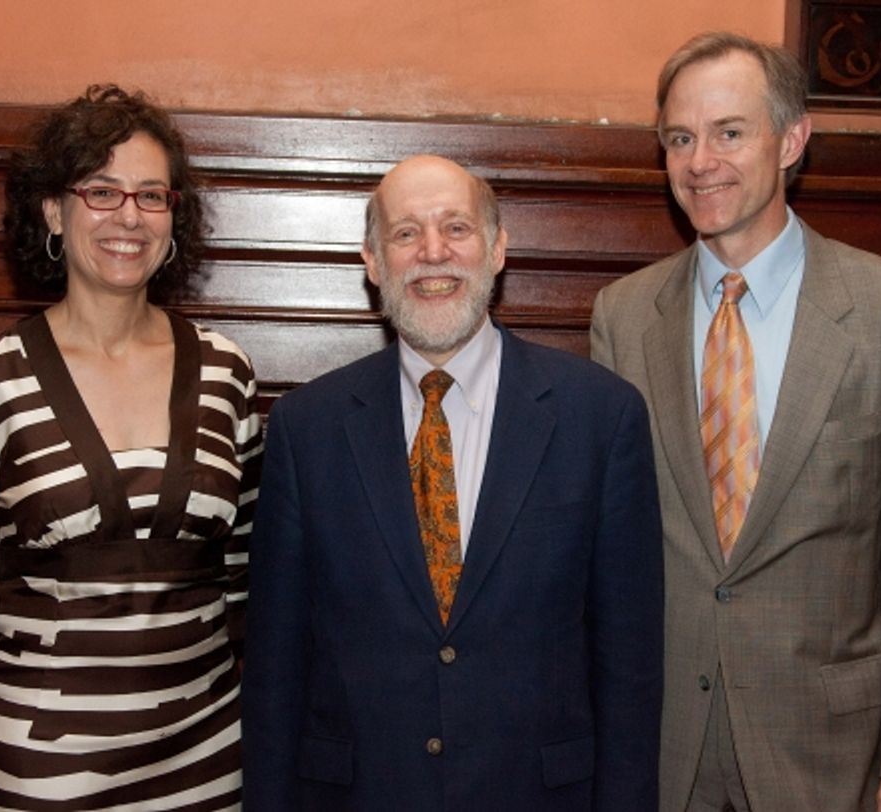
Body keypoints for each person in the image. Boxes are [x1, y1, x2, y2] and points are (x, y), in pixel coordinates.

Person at [590, 31, 881, 812]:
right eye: (680, 138)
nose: (701, 161)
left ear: (793, 139)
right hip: (661, 748)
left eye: (730, 132)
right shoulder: (623, 317)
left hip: (835, 753)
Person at [241, 154, 664, 811]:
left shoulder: (601, 417)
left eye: (456, 229)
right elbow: (275, 669)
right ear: (374, 262)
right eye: (406, 233)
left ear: (497, 249)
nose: (432, 253)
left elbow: (630, 670)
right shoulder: (307, 429)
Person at [0, 85, 262, 811]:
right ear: (53, 208)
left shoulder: (228, 374)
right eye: (101, 191)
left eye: (151, 195)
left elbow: (240, 581)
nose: (128, 216)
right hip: (35, 773)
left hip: (205, 764)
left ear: (175, 216)